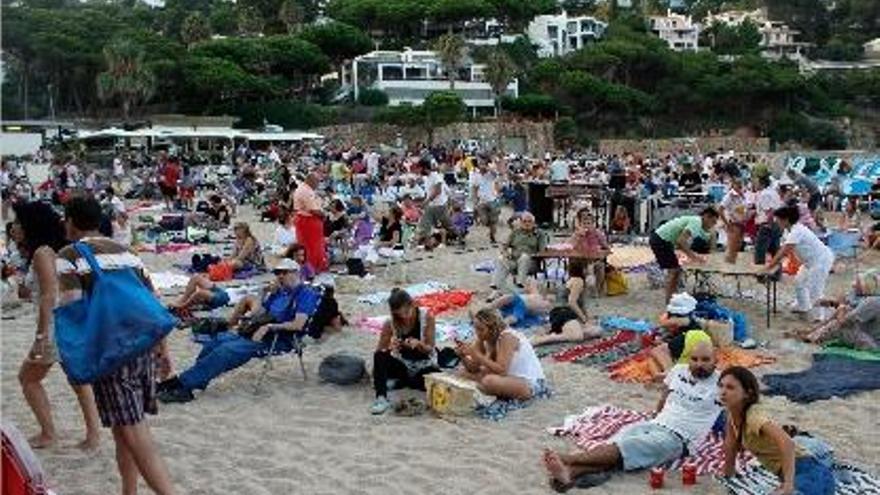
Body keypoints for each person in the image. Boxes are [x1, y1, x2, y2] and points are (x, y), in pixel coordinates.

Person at [56, 196, 176, 495]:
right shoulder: (127, 252)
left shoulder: (70, 255)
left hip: (112, 350)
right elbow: (150, 301)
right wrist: (164, 349)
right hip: (143, 344)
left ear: (70, 221)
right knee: (124, 430)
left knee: (134, 430)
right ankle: (128, 491)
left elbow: (74, 308)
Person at [542, 341, 721, 491]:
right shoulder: (679, 370)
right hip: (656, 424)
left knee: (627, 447)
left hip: (680, 439)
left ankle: (568, 459)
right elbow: (665, 396)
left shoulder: (722, 384)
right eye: (695, 359)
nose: (699, 364)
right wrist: (655, 417)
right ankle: (570, 474)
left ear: (716, 360)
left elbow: (738, 412)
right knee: (617, 445)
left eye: (705, 360)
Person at [158, 259, 319, 404]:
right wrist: (264, 293)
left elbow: (298, 325)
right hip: (258, 332)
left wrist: (270, 327)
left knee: (226, 351)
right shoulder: (279, 292)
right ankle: (191, 381)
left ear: (296, 273)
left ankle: (183, 385)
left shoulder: (305, 294)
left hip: (280, 338)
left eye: (284, 272)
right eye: (278, 273)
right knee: (214, 343)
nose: (280, 276)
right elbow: (260, 313)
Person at [13, 201, 101, 451]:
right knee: (78, 380)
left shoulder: (42, 251)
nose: (15, 227)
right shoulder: (57, 249)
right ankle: (93, 436)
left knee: (27, 379)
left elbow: (49, 295)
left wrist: (41, 334)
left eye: (19, 223)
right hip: (70, 322)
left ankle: (48, 433)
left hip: (55, 326)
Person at [719, 367, 836, 495]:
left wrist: (788, 485)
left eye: (730, 388)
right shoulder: (732, 415)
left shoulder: (753, 416)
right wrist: (727, 479)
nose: (723, 392)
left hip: (809, 472)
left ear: (747, 393)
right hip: (798, 473)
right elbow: (730, 447)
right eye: (721, 386)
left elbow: (787, 444)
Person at [370, 289, 439, 415]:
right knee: (380, 356)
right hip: (402, 364)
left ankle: (402, 382)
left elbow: (430, 348)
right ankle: (381, 398)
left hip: (424, 364)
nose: (405, 317)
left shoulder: (427, 316)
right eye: (399, 314)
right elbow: (380, 350)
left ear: (413, 305)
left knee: (433, 381)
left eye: (407, 312)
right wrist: (392, 347)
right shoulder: (390, 322)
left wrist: (419, 344)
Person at [456, 307, 546, 400]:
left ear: (492, 329)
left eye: (481, 329)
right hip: (509, 379)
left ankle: (486, 389)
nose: (478, 333)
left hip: (529, 383)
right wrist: (463, 356)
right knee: (461, 372)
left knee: (488, 381)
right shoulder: (483, 339)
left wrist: (477, 355)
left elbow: (502, 370)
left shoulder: (507, 337)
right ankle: (487, 388)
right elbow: (473, 368)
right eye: (476, 329)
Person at [764, 206, 834, 321]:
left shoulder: (797, 231)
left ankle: (818, 317)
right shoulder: (789, 230)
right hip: (809, 261)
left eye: (778, 219)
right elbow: (783, 247)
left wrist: (770, 265)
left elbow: (784, 250)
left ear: (786, 219)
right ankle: (803, 306)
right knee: (799, 282)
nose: (776, 222)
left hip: (820, 260)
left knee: (815, 290)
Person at [649, 207, 719, 304]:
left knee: (676, 271)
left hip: (662, 239)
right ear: (706, 217)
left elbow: (710, 238)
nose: (713, 225)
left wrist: (693, 255)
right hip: (660, 240)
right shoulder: (696, 222)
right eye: (713, 222)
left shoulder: (697, 223)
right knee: (673, 271)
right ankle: (669, 301)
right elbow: (681, 241)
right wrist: (694, 256)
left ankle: (672, 297)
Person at [492, 213, 547, 290]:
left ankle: (520, 284)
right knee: (501, 259)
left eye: (529, 221)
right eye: (524, 221)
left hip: (531, 262)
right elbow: (503, 246)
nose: (527, 223)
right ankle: (496, 285)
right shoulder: (515, 232)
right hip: (514, 260)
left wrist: (534, 255)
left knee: (524, 257)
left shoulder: (539, 234)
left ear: (534, 223)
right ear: (521, 222)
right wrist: (505, 253)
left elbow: (543, 251)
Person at [293, 173, 328, 272]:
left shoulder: (302, 188)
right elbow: (314, 210)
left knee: (306, 244)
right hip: (308, 220)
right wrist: (324, 215)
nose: (318, 184)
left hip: (303, 219)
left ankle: (309, 266)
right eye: (317, 181)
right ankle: (314, 267)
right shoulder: (306, 191)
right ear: (311, 180)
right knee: (313, 245)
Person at [414, 163, 454, 247]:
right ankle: (424, 242)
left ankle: (456, 236)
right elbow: (429, 192)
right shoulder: (427, 178)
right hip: (432, 205)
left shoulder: (436, 177)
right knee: (425, 224)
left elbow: (437, 191)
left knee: (446, 225)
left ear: (424, 168)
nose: (418, 171)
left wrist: (426, 202)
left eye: (419, 168)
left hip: (439, 205)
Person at [754, 173, 784, 265]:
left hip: (767, 225)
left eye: (757, 183)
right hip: (776, 224)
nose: (755, 184)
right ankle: (776, 274)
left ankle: (761, 275)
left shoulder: (765, 194)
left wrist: (768, 225)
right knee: (775, 251)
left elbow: (770, 212)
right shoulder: (773, 192)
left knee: (760, 252)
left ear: (762, 184)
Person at [470, 159, 500, 243]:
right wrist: (475, 200)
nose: (481, 166)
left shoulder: (490, 174)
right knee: (484, 221)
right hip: (482, 201)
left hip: (492, 199)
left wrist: (489, 168)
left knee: (494, 221)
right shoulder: (475, 175)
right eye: (480, 164)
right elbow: (474, 188)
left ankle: (492, 236)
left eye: (483, 164)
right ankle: (490, 228)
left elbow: (495, 174)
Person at [719, 179, 749, 263]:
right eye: (737, 183)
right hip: (733, 224)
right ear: (733, 184)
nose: (740, 185)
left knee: (736, 247)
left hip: (741, 223)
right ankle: (728, 266)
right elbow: (720, 209)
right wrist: (727, 223)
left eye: (740, 183)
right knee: (732, 248)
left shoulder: (742, 195)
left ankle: (732, 264)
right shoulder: (729, 196)